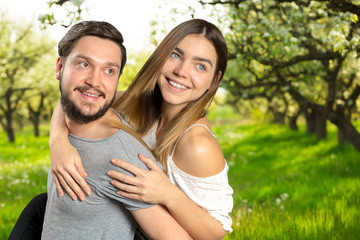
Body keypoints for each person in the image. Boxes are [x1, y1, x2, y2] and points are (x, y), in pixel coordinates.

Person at [50, 19, 234, 239]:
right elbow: (80, 98)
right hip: (131, 221)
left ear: (215, 79)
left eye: (200, 66)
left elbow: (217, 232)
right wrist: (58, 141)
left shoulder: (197, 144)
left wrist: (168, 194)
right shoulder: (137, 103)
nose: (182, 71)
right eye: (175, 55)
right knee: (40, 206)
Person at [10, 20, 191, 240]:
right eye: (84, 64)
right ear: (60, 68)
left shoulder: (121, 160)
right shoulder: (71, 119)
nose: (94, 81)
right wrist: (57, 139)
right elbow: (67, 98)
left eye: (109, 70)